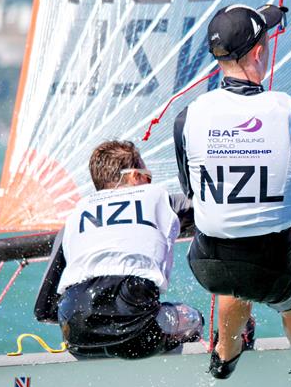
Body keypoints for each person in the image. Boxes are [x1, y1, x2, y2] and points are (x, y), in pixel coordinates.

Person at [173, 3, 291, 379]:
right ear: (259, 52)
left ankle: (225, 354)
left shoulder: (187, 117)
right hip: (272, 267)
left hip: (206, 263)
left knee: (237, 274)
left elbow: (192, 192)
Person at [34, 140, 203, 359]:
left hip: (77, 338)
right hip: (139, 338)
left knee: (102, 330)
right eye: (148, 178)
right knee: (192, 318)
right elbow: (215, 210)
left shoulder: (72, 220)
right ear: (134, 176)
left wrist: (97, 325)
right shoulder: (160, 199)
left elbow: (44, 310)